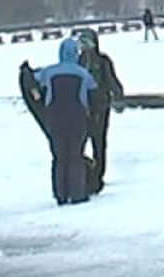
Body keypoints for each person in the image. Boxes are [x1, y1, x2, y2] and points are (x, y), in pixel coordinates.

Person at [32, 38, 97, 206]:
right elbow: (93, 93)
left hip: (55, 119)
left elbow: (34, 78)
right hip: (77, 119)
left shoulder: (49, 72)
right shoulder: (83, 74)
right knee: (75, 156)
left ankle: (60, 194)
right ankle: (77, 193)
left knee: (59, 157)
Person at [75, 29, 125, 192]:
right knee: (79, 143)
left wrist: (118, 96)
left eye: (87, 42)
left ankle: (98, 175)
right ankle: (83, 174)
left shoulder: (102, 61)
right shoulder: (77, 61)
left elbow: (111, 79)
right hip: (82, 108)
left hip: (100, 107)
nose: (84, 46)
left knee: (99, 142)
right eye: (82, 43)